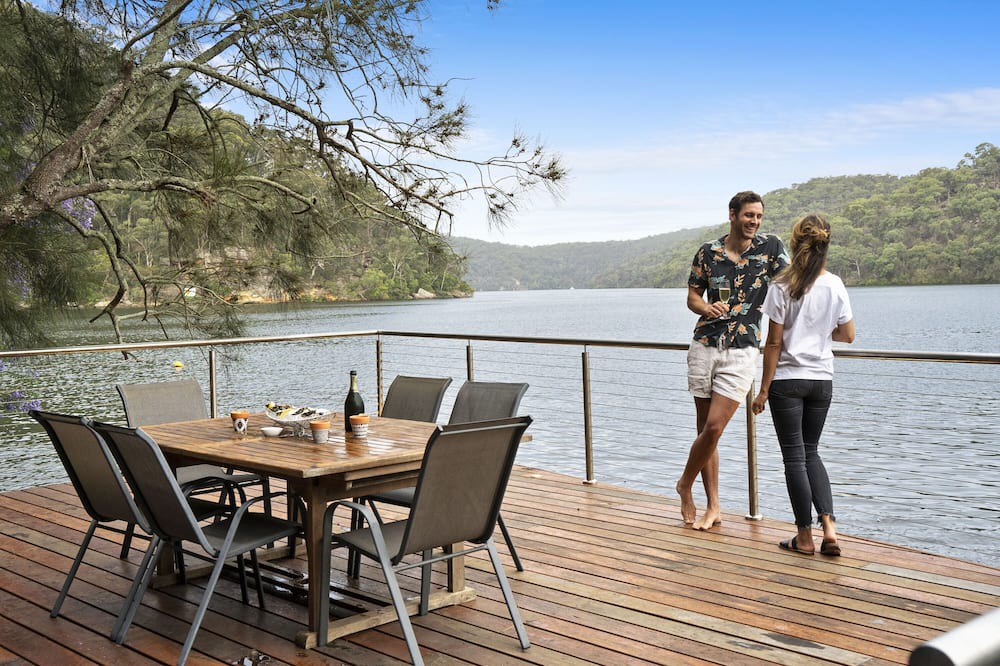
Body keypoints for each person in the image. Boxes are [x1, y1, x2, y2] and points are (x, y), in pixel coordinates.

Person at [676, 191, 789, 530]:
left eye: (758, 216)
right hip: (704, 345)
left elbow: (791, 286)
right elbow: (693, 295)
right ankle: (713, 506)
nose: (754, 221)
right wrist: (704, 307)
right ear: (732, 215)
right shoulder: (708, 252)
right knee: (704, 430)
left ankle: (684, 484)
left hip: (742, 349)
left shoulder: (770, 248)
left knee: (714, 428)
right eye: (748, 215)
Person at [751, 214, 855, 556]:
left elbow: (774, 344)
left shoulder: (782, 285)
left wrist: (763, 389)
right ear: (826, 246)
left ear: (794, 246)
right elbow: (848, 335)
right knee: (811, 452)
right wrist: (821, 332)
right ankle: (830, 530)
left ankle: (804, 537)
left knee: (795, 459)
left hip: (787, 382)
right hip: (821, 380)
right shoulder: (835, 284)